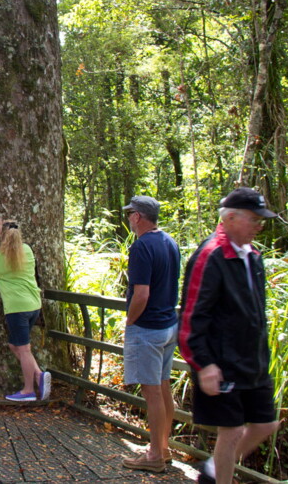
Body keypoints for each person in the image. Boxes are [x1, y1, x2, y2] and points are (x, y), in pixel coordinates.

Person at [179, 187, 281, 484]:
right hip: (222, 362)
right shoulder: (210, 256)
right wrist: (204, 364)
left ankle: (211, 470)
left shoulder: (254, 256)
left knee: (266, 424)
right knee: (232, 430)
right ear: (232, 218)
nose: (259, 225)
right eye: (254, 219)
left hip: (254, 361)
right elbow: (190, 317)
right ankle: (218, 477)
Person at [119, 196, 181, 473]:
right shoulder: (170, 242)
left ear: (137, 217)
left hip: (148, 328)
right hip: (168, 325)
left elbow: (141, 293)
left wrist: (130, 321)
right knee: (163, 386)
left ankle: (155, 455)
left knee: (152, 392)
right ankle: (164, 448)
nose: (129, 217)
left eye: (130, 213)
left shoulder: (142, 247)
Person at [0, 218, 50, 402]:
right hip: (34, 306)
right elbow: (13, 248)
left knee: (23, 349)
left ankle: (28, 391)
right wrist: (4, 235)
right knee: (14, 345)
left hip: (17, 309)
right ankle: (39, 376)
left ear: (4, 237)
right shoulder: (27, 250)